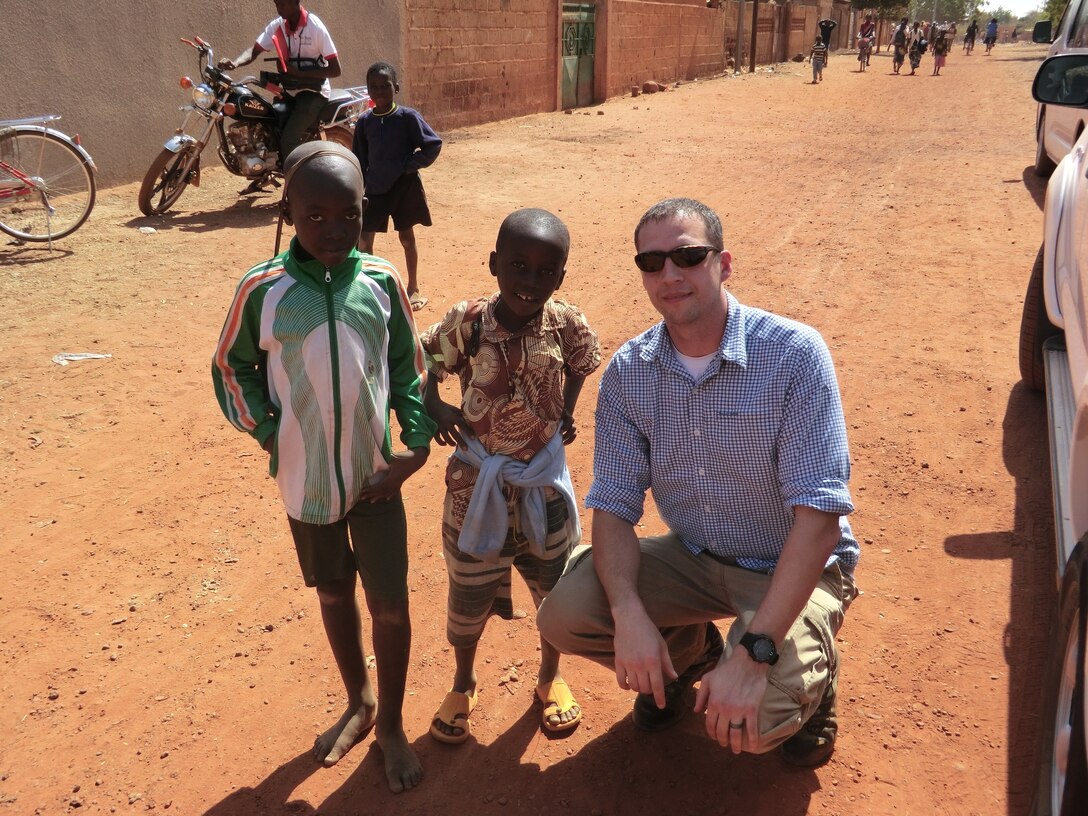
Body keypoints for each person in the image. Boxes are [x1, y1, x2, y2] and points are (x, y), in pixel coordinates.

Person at [537, 198, 860, 768]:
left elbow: (817, 522)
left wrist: (756, 654)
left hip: (788, 566)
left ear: (724, 263)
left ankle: (815, 676)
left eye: (688, 256)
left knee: (752, 726)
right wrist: (632, 613)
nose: (670, 275)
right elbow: (612, 507)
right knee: (567, 613)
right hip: (694, 557)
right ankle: (690, 653)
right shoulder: (630, 372)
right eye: (652, 261)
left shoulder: (794, 355)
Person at [211, 141, 435, 793]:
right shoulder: (263, 290)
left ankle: (390, 724)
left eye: (348, 214)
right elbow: (232, 368)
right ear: (289, 209)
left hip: (376, 479)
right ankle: (359, 701)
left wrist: (413, 448)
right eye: (315, 215)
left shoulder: (382, 282)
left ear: (365, 210)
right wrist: (273, 434)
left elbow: (407, 368)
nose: (333, 229)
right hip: (304, 482)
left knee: (390, 606)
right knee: (333, 591)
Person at [420, 208, 601, 745]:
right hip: (474, 485)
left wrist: (566, 411)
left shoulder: (566, 323)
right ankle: (464, 681)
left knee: (555, 588)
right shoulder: (469, 321)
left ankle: (550, 678)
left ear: (560, 278)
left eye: (546, 272)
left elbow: (582, 364)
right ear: (495, 263)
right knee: (468, 590)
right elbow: (428, 360)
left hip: (543, 484)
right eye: (518, 266)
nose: (530, 281)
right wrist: (434, 406)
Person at [218, 1, 341, 192]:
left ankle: (296, 191)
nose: (279, 8)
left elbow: (335, 70)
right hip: (291, 90)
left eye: (283, 3)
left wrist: (300, 73)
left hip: (313, 93)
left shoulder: (315, 27)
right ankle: (265, 171)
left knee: (288, 139)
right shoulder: (278, 26)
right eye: (276, 3)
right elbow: (254, 50)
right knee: (268, 126)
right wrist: (235, 63)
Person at [352, 61, 442, 312]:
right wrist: (358, 187)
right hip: (375, 189)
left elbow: (432, 145)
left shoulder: (408, 117)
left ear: (397, 87)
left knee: (406, 236)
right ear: (368, 91)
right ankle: (366, 286)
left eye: (385, 86)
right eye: (374, 87)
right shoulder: (364, 122)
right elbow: (359, 158)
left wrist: (407, 165)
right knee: (364, 239)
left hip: (404, 187)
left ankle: (413, 287)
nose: (380, 91)